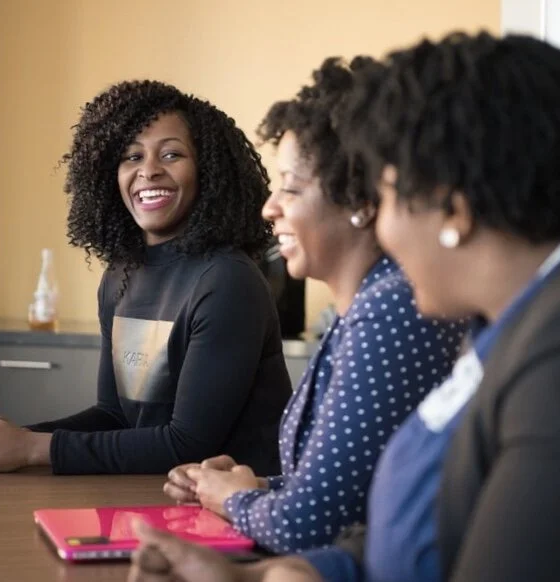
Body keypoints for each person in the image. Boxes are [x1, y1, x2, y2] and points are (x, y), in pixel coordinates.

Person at [127, 31, 560, 582]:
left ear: (453, 208)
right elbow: (436, 516)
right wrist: (278, 575)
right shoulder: (532, 312)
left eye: (386, 197)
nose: (382, 231)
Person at [160, 58, 465, 554]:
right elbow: (350, 490)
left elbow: (309, 526)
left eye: (291, 187)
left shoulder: (389, 310)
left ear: (360, 201)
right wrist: (252, 487)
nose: (269, 207)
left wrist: (233, 499)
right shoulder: (367, 305)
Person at [0, 80, 292, 475]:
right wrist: (16, 440)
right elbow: (114, 415)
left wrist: (32, 448)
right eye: (132, 156)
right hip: (151, 490)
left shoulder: (227, 281)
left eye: (171, 154)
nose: (148, 171)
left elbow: (187, 444)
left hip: (236, 504)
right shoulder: (121, 275)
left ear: (207, 169)